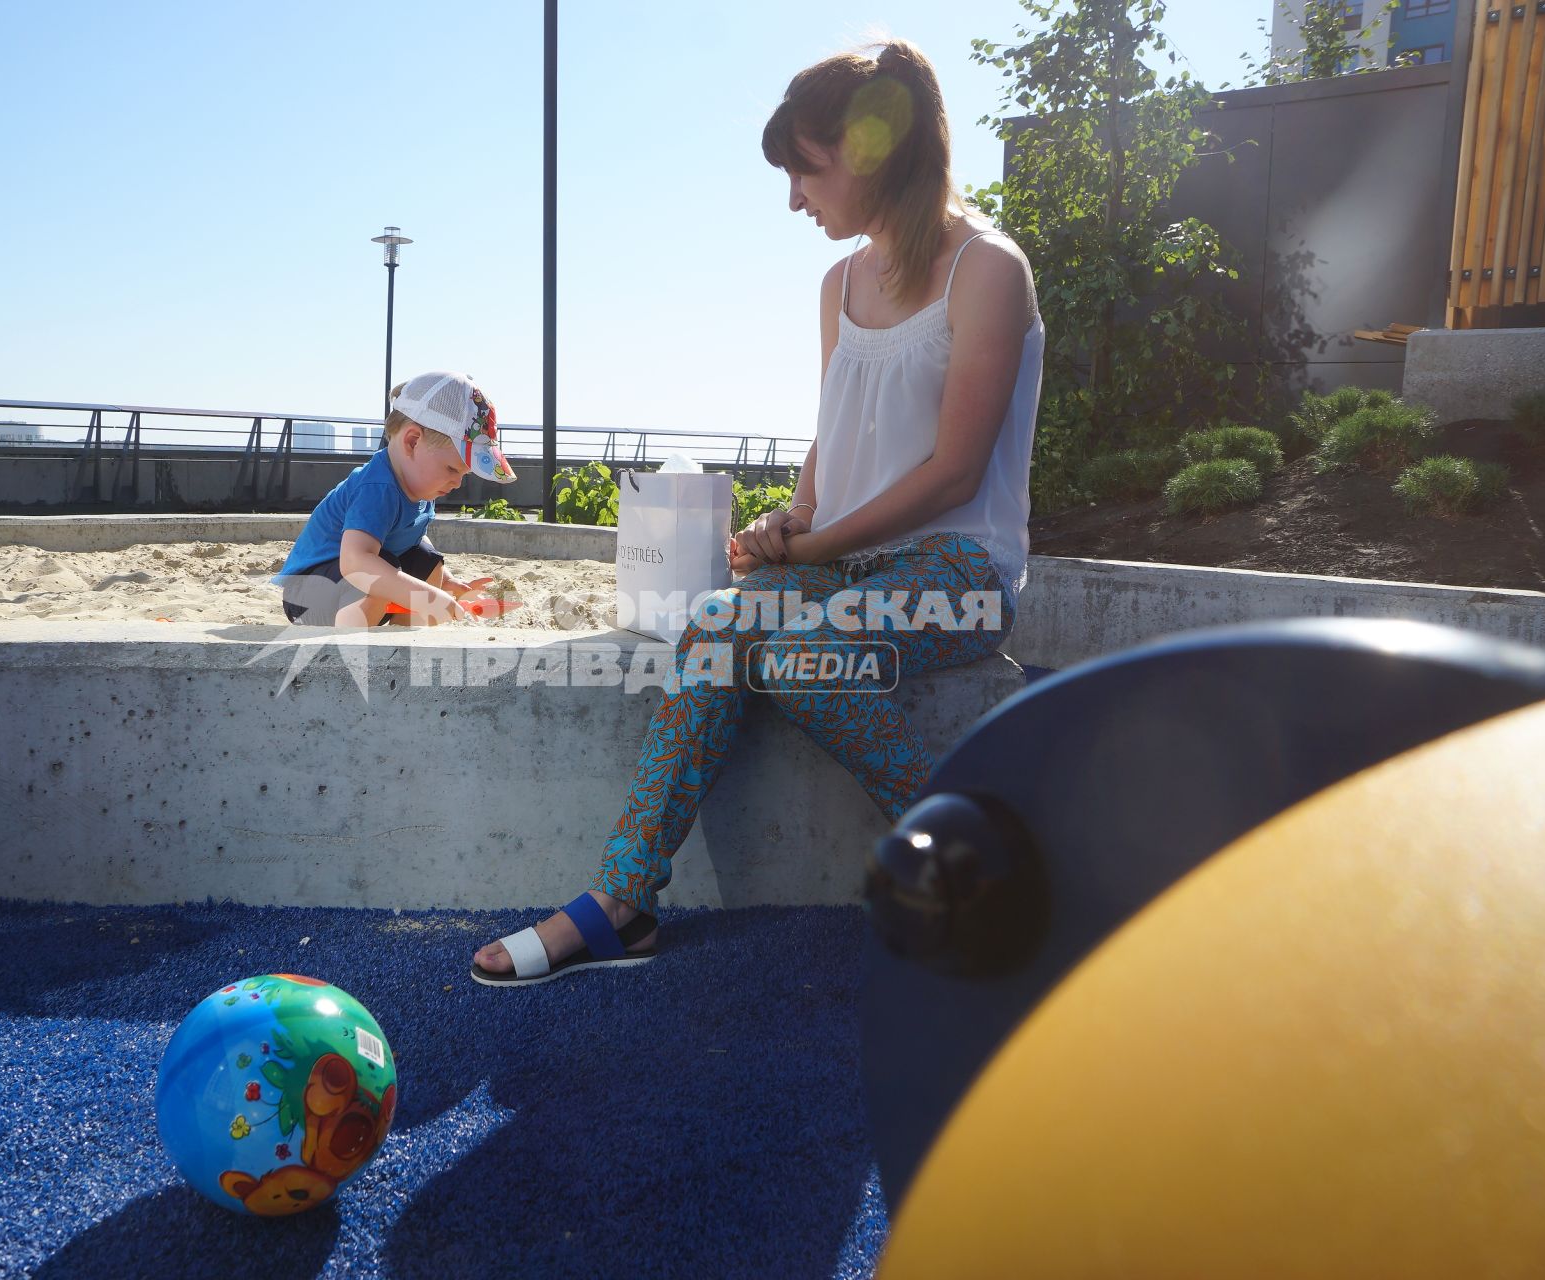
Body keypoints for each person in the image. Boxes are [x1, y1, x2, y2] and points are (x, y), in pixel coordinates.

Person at [471, 38, 1045, 986]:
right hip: (843, 563)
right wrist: (793, 518)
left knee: (791, 653)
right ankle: (623, 902)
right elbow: (836, 433)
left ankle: (977, 861)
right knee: (717, 622)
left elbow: (952, 471)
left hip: (961, 572)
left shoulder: (987, 269)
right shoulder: (841, 284)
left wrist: (814, 541)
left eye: (805, 173)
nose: (794, 201)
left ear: (868, 151)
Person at [275, 371, 515, 628]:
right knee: (375, 568)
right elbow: (355, 562)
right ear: (412, 442)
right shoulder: (377, 487)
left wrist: (445, 581)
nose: (457, 482)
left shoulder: (421, 487)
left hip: (348, 591)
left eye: (464, 474)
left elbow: (411, 535)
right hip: (311, 593)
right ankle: (346, 647)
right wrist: (428, 597)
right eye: (452, 469)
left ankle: (405, 639)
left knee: (427, 557)